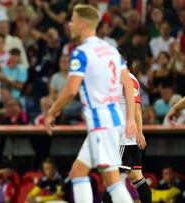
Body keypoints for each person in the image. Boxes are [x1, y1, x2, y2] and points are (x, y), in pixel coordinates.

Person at [45, 4, 137, 203]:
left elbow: (71, 90)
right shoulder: (111, 50)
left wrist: (51, 112)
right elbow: (128, 85)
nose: (69, 24)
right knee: (78, 173)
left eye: (73, 20)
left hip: (100, 122)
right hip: (113, 120)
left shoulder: (81, 52)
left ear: (82, 24)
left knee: (112, 181)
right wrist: (130, 119)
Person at [103, 50, 152, 203]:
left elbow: (137, 108)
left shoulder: (129, 80)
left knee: (111, 178)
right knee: (136, 177)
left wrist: (139, 132)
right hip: (123, 137)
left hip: (123, 138)